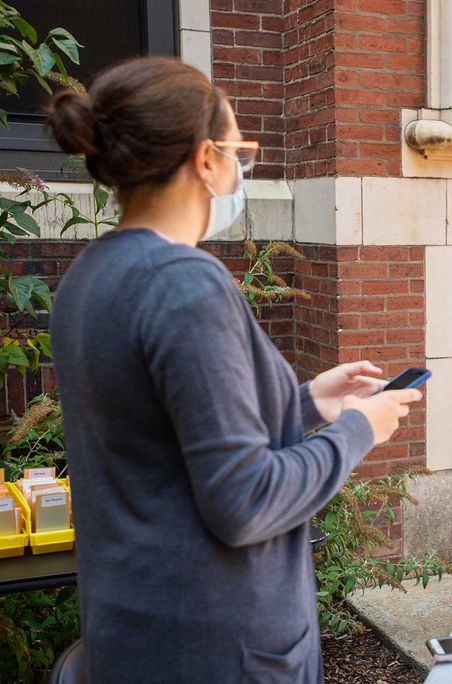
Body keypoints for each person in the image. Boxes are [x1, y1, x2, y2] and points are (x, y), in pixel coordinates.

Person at [46, 57, 421, 682]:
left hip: (132, 634)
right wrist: (359, 428)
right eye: (238, 152)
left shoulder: (85, 279)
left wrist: (305, 404)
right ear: (203, 160)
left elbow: (164, 438)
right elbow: (244, 502)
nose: (241, 170)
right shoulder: (184, 283)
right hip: (221, 649)